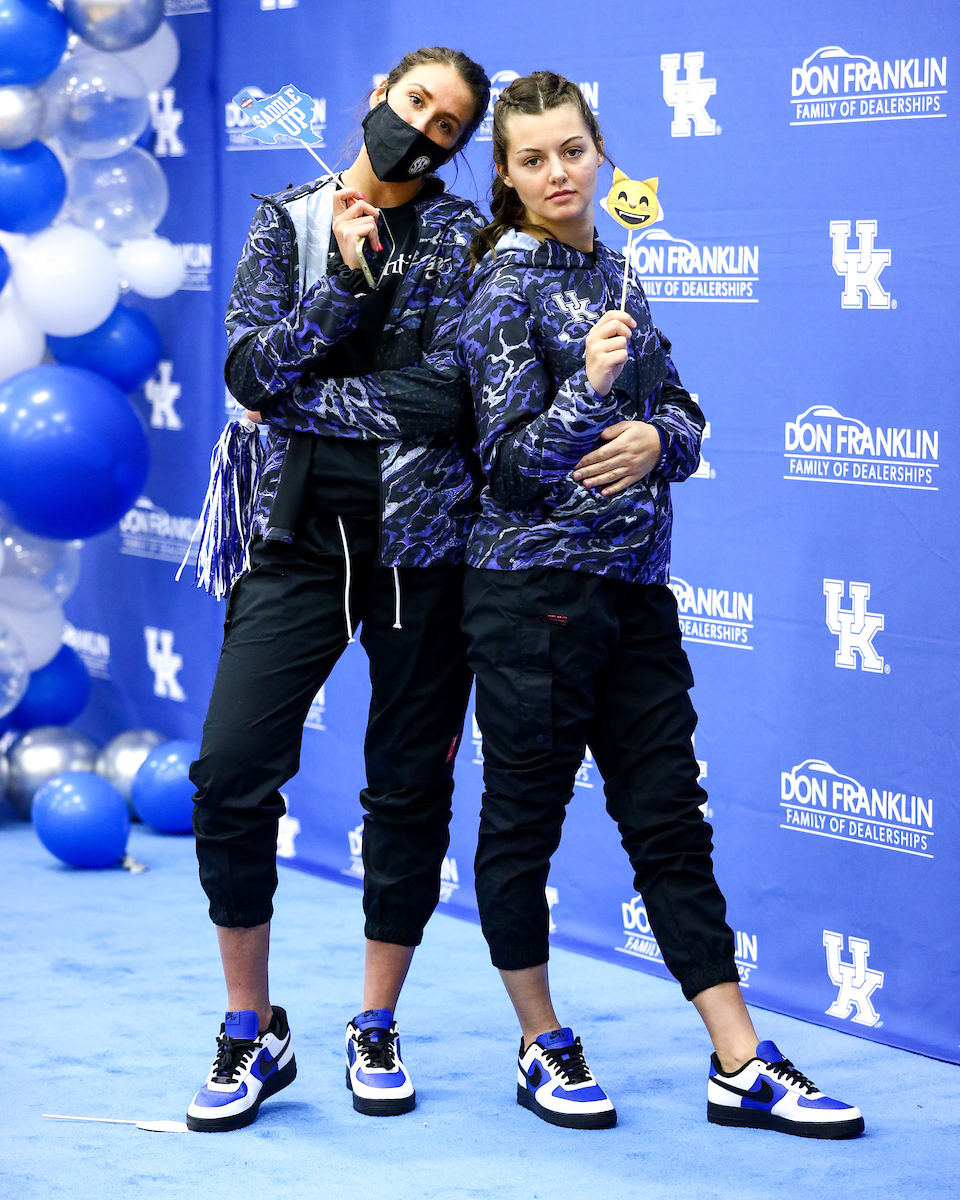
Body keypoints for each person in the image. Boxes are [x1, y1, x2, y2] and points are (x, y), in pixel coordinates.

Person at [457, 72, 864, 1139]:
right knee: (523, 824)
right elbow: (503, 472)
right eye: (533, 158)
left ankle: (739, 1059)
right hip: (530, 598)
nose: (557, 173)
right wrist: (588, 395)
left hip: (635, 594)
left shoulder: (624, 271)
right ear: (505, 174)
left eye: (573, 151)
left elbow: (681, 408)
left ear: (602, 155)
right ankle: (540, 1041)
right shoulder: (500, 288)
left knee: (671, 824)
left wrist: (656, 439)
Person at [185, 47, 491, 1132]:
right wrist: (337, 292)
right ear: (375, 95)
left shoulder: (467, 240)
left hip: (424, 550)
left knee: (407, 789)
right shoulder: (290, 217)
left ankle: (375, 1021)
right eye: (417, 103)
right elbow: (248, 373)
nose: (425, 129)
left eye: (450, 125)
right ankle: (250, 1028)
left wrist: (310, 401)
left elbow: (451, 395)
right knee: (228, 771)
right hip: (298, 539)